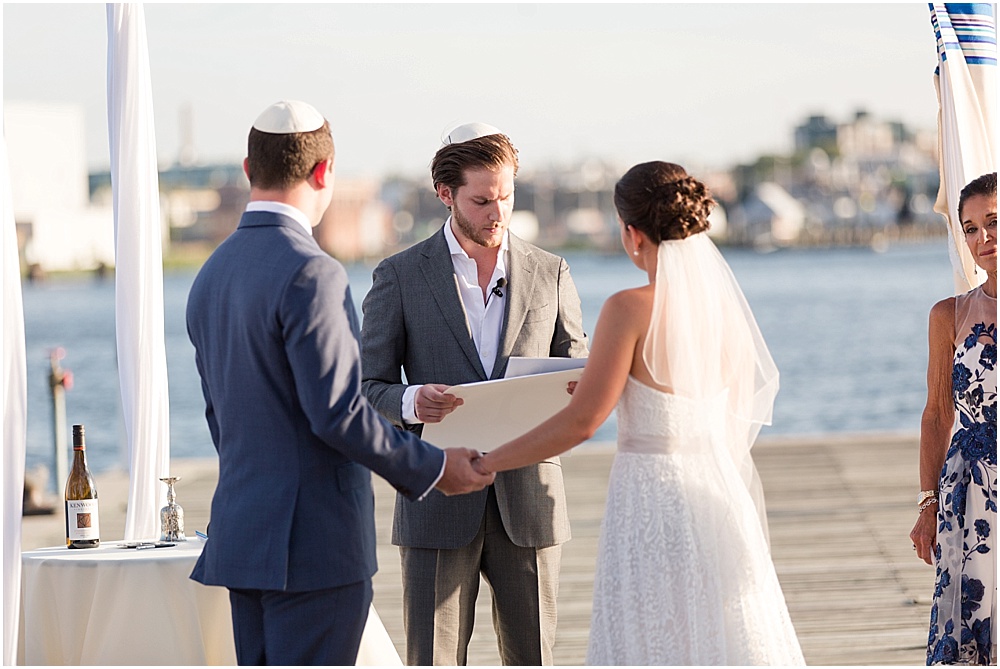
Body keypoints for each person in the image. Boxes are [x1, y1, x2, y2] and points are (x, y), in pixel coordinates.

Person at [186, 100, 494, 666]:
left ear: (249, 170)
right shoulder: (312, 270)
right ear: (324, 172)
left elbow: (219, 417)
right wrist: (434, 467)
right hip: (314, 547)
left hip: (241, 536)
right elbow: (338, 413)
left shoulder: (211, 273)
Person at [474, 161, 805, 665]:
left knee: (653, 636)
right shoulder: (723, 310)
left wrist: (488, 461)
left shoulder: (628, 308)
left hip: (653, 497)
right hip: (717, 491)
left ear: (632, 233)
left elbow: (583, 422)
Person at [360, 122, 588, 665]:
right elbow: (366, 390)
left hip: (531, 499)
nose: (497, 213)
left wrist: (578, 385)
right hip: (436, 498)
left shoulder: (552, 272)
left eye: (506, 197)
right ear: (445, 194)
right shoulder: (398, 276)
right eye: (482, 200)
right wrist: (414, 401)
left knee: (534, 659)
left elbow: (579, 370)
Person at [910, 172, 996, 666]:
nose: (982, 238)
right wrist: (928, 504)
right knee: (970, 625)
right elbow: (938, 413)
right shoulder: (949, 314)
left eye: (993, 222)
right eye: (970, 228)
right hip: (970, 492)